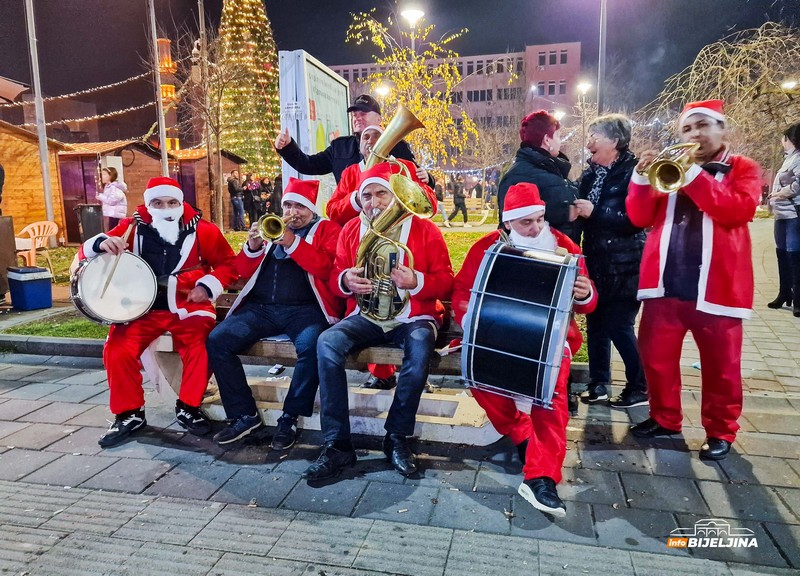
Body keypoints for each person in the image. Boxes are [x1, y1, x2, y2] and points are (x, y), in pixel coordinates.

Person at [627, 99, 762, 461]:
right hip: (665, 283)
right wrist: (641, 177)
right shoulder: (669, 167)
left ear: (721, 128)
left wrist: (692, 175)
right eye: (687, 128)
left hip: (717, 288)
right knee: (656, 359)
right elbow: (640, 217)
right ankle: (665, 418)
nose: (695, 134)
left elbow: (735, 211)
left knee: (722, 366)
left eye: (702, 125)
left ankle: (720, 431)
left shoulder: (744, 168)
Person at [451, 182, 596, 518]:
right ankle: (521, 433)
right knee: (479, 378)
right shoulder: (488, 247)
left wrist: (584, 293)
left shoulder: (563, 246)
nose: (537, 228)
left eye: (540, 219)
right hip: (497, 337)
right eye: (526, 222)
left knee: (551, 394)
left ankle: (541, 479)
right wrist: (472, 317)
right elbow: (461, 289)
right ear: (507, 224)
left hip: (551, 341)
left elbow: (589, 304)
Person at [303, 162, 454, 481]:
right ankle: (337, 443)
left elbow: (446, 281)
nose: (373, 202)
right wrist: (346, 280)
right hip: (366, 316)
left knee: (420, 347)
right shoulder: (350, 230)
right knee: (327, 343)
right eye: (367, 196)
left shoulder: (424, 229)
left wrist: (418, 280)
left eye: (381, 194)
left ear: (396, 195)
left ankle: (397, 436)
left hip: (412, 317)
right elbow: (334, 278)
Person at [80, 177, 238, 447]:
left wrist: (207, 285)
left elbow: (229, 264)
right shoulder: (132, 227)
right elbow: (88, 253)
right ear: (148, 203)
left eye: (171, 202)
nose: (165, 208)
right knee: (116, 348)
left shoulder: (203, 229)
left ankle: (188, 406)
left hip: (189, 305)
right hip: (141, 309)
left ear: (180, 203)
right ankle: (129, 413)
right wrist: (99, 244)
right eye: (158, 202)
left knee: (202, 345)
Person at [207, 178, 343, 449]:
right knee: (217, 340)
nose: (293, 212)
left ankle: (289, 417)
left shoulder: (327, 229)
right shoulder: (272, 228)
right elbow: (243, 271)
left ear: (312, 210)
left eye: (300, 207)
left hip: (306, 310)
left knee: (312, 347)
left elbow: (326, 268)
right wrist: (253, 246)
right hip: (262, 308)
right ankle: (243, 414)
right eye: (288, 205)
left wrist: (292, 242)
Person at [326, 126, 438, 390]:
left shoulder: (405, 168)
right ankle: (381, 374)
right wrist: (358, 197)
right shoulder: (351, 173)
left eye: (379, 135)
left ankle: (406, 385)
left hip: (408, 302)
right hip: (365, 248)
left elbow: (426, 205)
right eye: (366, 137)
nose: (373, 142)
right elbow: (333, 210)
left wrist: (426, 180)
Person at [573, 114, 648, 408]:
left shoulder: (635, 172)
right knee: (596, 325)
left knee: (620, 325)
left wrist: (596, 211)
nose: (589, 141)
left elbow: (636, 220)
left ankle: (639, 387)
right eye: (590, 135)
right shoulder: (590, 174)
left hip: (626, 263)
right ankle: (598, 383)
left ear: (615, 141)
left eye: (596, 136)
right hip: (596, 261)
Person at [274, 94, 426, 185]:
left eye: (363, 113)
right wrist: (287, 148)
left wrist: (428, 178)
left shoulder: (397, 146)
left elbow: (416, 177)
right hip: (348, 222)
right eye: (354, 114)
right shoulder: (339, 146)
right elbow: (308, 165)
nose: (357, 117)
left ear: (379, 118)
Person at [498, 110, 579, 242]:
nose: (560, 142)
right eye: (558, 136)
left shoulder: (552, 169)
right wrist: (565, 213)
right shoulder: (520, 174)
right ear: (547, 140)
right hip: (538, 257)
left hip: (559, 254)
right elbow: (515, 219)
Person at [766, 123, 800, 315]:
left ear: (790, 139)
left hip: (794, 214)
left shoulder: (798, 159)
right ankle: (784, 293)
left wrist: (779, 195)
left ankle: (798, 299)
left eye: (783, 138)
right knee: (782, 255)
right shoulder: (788, 159)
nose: (781, 141)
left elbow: (797, 185)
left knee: (795, 256)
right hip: (781, 215)